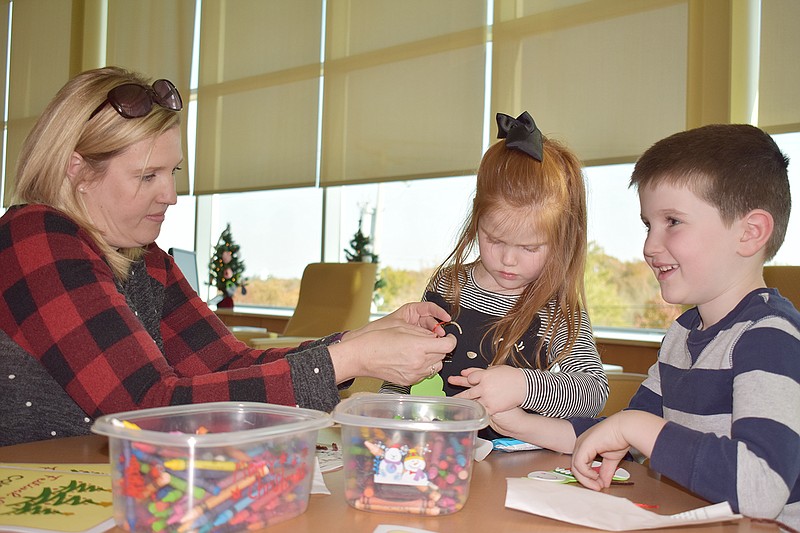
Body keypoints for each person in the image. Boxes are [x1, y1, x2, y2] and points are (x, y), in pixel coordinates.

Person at [0, 66, 456, 447]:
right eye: (147, 176)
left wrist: (360, 340)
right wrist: (350, 360)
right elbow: (142, 407)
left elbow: (229, 367)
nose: (171, 195)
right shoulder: (33, 235)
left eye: (172, 171)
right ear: (77, 169)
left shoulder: (146, 260)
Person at [456, 123, 800, 526]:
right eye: (648, 225)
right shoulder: (682, 336)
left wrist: (636, 427)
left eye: (672, 221)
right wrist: (517, 422)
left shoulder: (771, 337)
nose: (650, 247)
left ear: (750, 232)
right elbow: (617, 437)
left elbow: (762, 489)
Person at [381, 111, 608, 441]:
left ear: (563, 239)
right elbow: (408, 360)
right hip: (437, 451)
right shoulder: (448, 284)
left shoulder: (558, 312)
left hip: (516, 461)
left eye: (530, 248)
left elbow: (594, 392)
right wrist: (389, 405)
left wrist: (524, 387)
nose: (508, 259)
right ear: (477, 218)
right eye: (495, 240)